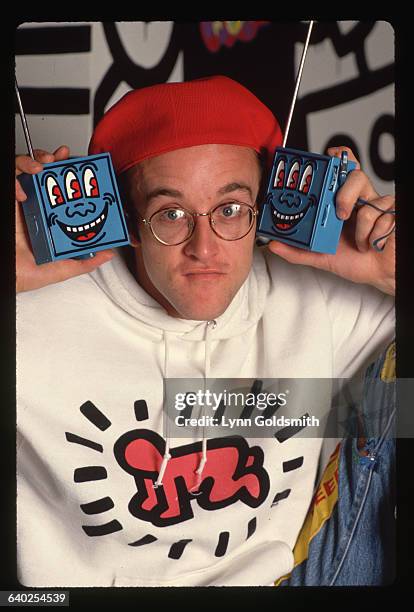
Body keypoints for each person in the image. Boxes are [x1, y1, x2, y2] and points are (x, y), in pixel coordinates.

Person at [16, 76, 395, 587]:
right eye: (170, 214)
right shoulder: (34, 315)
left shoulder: (315, 296)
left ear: (265, 206)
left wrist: (388, 274)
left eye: (231, 209)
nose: (206, 248)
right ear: (128, 220)